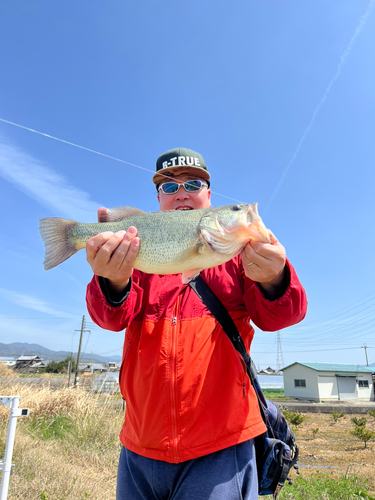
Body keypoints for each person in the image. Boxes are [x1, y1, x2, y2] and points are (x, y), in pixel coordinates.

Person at [85, 148, 307, 500]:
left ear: (209, 194)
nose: (182, 193)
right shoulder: (137, 256)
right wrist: (111, 281)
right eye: (169, 188)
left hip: (222, 444)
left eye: (193, 183)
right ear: (158, 199)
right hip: (140, 443)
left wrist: (276, 277)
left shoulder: (240, 252)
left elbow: (281, 316)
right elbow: (109, 320)